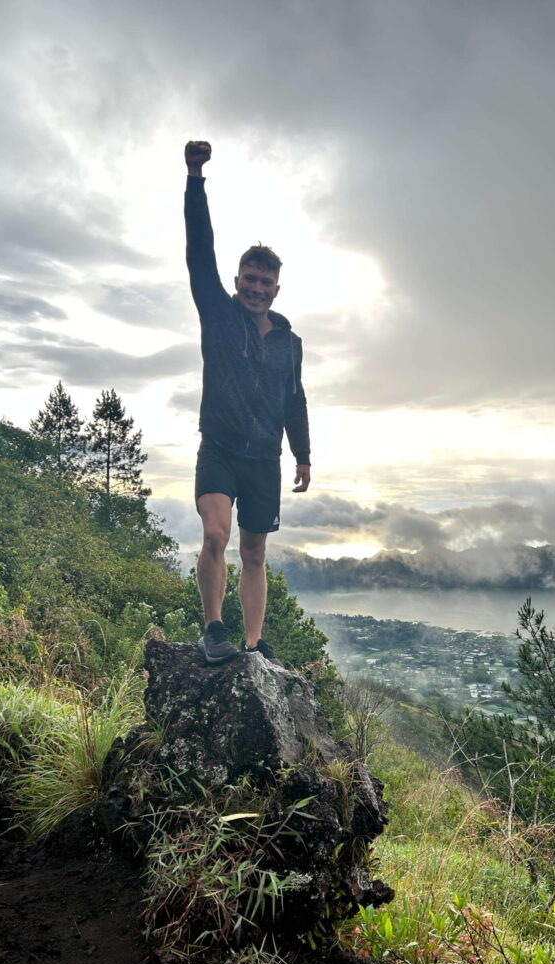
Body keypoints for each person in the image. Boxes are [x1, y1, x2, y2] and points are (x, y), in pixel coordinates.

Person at [184, 140, 311, 665]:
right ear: (237, 282)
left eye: (267, 282)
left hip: (265, 458)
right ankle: (214, 630)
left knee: (255, 552)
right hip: (219, 447)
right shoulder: (217, 313)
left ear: (276, 289)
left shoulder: (289, 341)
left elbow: (294, 399)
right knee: (216, 532)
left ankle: (254, 645)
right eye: (250, 279)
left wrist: (303, 454)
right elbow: (198, 248)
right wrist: (195, 178)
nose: (258, 287)